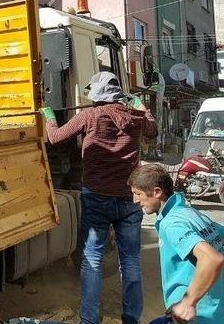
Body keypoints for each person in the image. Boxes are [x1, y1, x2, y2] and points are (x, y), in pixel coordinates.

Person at [40, 71, 158, 324]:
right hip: (130, 199)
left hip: (96, 197)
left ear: (96, 95)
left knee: (91, 260)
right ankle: (131, 319)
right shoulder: (136, 118)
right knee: (130, 261)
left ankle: (89, 319)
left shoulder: (89, 115)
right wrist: (141, 106)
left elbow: (55, 137)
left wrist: (49, 117)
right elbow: (153, 129)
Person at [128, 164, 224, 324]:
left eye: (138, 194)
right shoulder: (190, 213)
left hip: (196, 316)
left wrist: (188, 302)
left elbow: (212, 259)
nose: (135, 201)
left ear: (157, 192)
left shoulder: (172, 224)